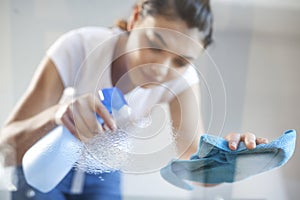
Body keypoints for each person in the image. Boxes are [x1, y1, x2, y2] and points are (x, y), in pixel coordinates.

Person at [0, 0, 269, 199]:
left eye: (180, 61)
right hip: (45, 160)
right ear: (135, 17)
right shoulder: (78, 46)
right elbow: (5, 146)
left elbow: (194, 163)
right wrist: (57, 114)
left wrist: (234, 162)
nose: (161, 69)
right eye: (154, 44)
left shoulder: (183, 80)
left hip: (104, 172)